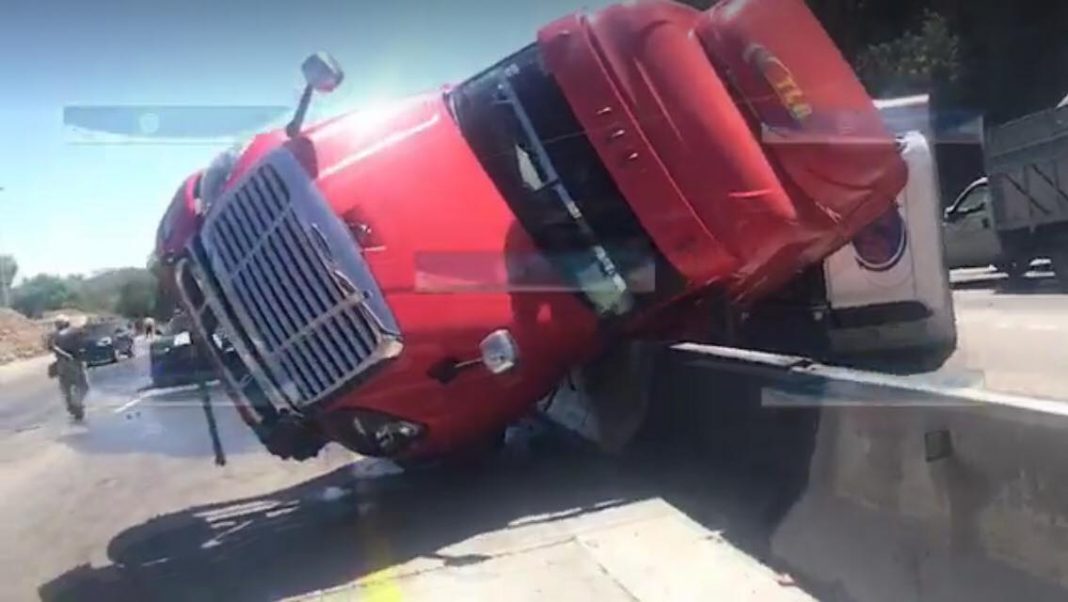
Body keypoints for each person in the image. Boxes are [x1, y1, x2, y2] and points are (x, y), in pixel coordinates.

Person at [48, 315, 88, 421]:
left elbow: (50, 347)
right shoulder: (74, 332)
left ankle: (72, 406)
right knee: (83, 386)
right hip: (73, 362)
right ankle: (76, 403)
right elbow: (82, 344)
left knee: (66, 388)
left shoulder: (53, 335)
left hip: (61, 364)